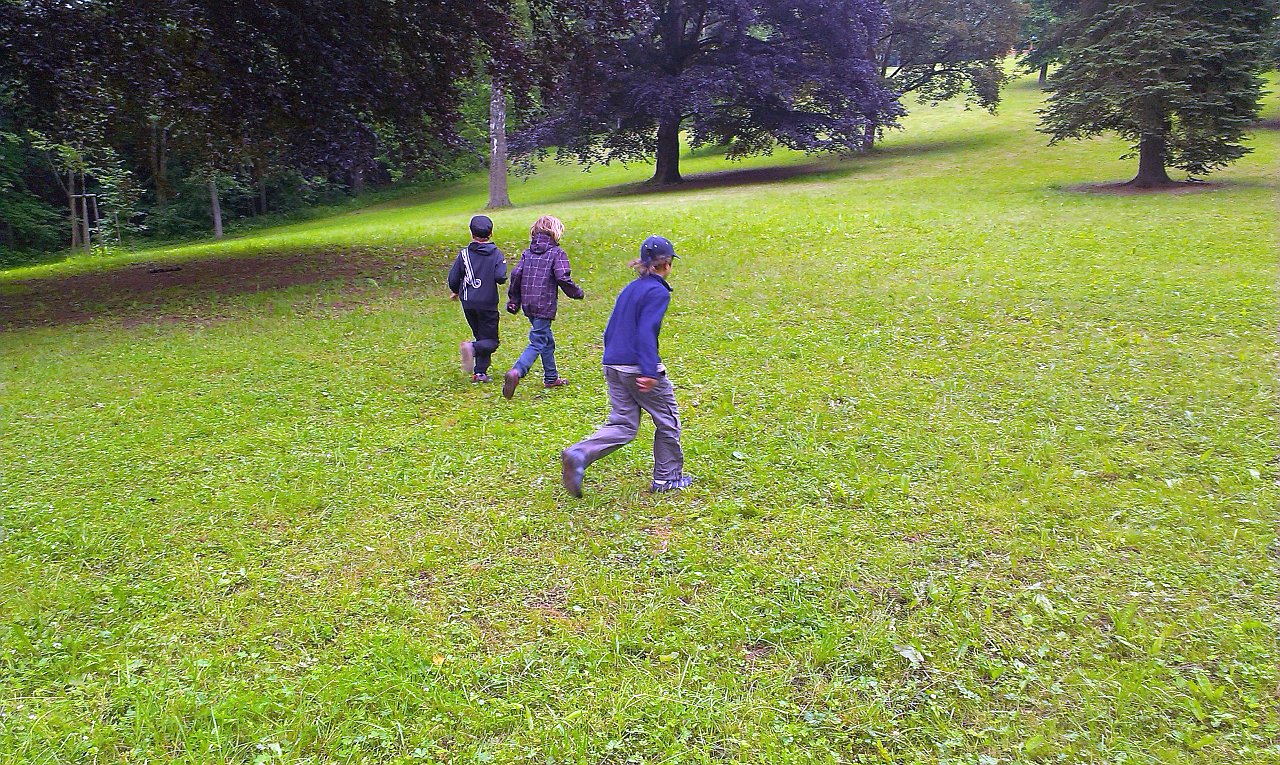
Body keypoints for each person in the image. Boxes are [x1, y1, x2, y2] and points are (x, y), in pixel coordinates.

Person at [560, 235, 694, 497]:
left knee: (624, 424)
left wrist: (612, 359)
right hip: (636, 367)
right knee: (667, 420)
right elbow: (646, 331)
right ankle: (667, 478)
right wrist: (649, 370)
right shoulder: (657, 292)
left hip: (613, 363)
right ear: (667, 264)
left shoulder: (631, 288)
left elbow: (611, 328)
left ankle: (579, 453)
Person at [502, 215, 584, 398]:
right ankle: (517, 371)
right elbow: (562, 277)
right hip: (544, 304)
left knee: (547, 340)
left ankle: (551, 377)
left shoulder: (527, 253)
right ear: (555, 232)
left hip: (529, 304)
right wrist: (576, 292)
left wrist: (514, 300)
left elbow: (516, 274)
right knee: (538, 341)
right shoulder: (557, 253)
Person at [447, 214, 507, 383]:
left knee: (482, 336)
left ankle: (480, 373)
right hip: (487, 303)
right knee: (491, 341)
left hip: (468, 303)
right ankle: (471, 348)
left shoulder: (464, 254)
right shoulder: (496, 254)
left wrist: (455, 291)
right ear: (491, 233)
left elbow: (453, 278)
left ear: (471, 234)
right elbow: (501, 277)